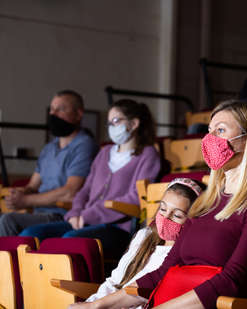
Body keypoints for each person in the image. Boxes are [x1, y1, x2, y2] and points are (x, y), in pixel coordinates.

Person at [76, 101, 247, 309]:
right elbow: (162, 273)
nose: (209, 139)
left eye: (220, 130)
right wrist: (96, 306)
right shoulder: (206, 202)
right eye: (209, 130)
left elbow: (233, 280)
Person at [19, 99, 161, 259]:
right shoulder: (104, 152)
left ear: (134, 123)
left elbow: (135, 197)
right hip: (83, 219)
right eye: (109, 123)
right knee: (31, 234)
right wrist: (75, 213)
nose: (111, 127)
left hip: (117, 227)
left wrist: (88, 215)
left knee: (71, 240)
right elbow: (85, 190)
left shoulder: (148, 155)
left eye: (116, 121)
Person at [69, 178, 206, 309]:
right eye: (163, 209)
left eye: (177, 215)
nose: (165, 218)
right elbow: (115, 281)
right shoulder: (144, 236)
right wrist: (93, 303)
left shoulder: (185, 254)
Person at [0, 90, 98, 236]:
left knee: (8, 221)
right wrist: (18, 194)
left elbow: (71, 191)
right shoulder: (49, 148)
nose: (53, 114)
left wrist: (26, 200)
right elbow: (33, 186)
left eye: (61, 109)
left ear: (78, 114)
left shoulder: (85, 145)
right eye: (52, 109)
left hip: (63, 215)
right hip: (39, 213)